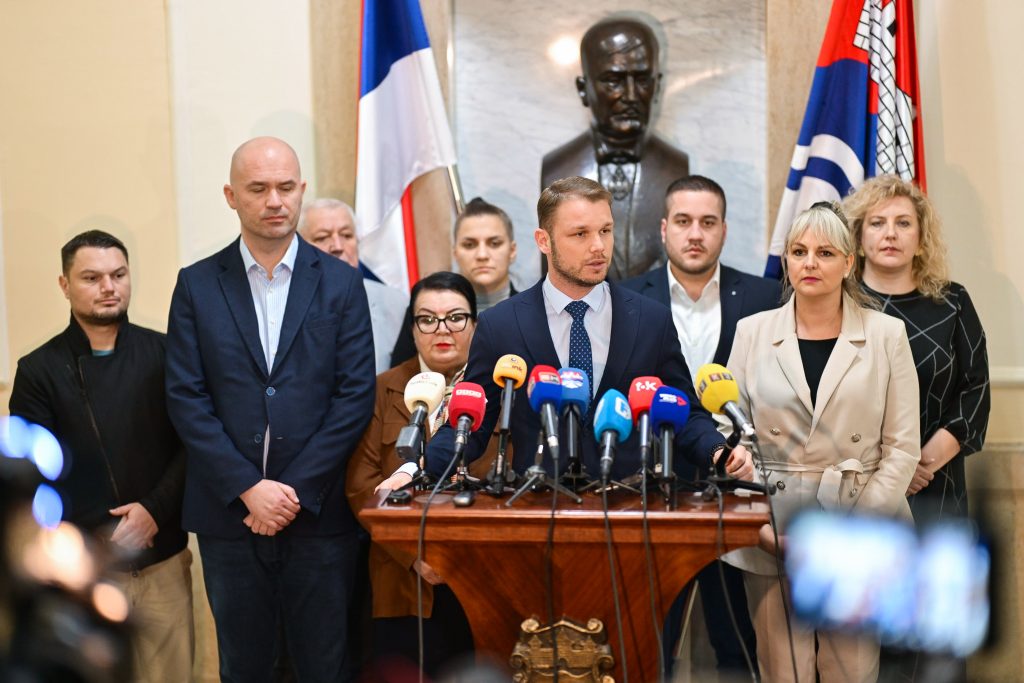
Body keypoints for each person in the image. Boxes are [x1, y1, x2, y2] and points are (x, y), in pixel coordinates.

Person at [380, 176, 752, 493]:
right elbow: (469, 424)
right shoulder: (501, 324)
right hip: (537, 506)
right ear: (544, 241)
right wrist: (413, 469)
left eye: (605, 230)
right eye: (580, 234)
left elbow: (684, 412)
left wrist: (720, 451)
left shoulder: (650, 320)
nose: (598, 246)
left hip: (628, 507)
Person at [165, 137, 375, 682]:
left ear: (302, 189)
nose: (275, 201)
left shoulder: (342, 282)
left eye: (285, 187)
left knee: (325, 667)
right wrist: (247, 488)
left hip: (318, 512)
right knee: (243, 668)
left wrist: (292, 491)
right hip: (228, 516)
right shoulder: (196, 285)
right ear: (231, 196)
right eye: (258, 189)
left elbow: (354, 395)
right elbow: (186, 396)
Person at [724, 203, 921, 682]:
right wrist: (759, 521)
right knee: (783, 671)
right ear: (787, 261)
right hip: (773, 526)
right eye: (799, 251)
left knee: (851, 671)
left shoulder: (886, 334)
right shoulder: (752, 332)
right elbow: (726, 427)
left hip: (859, 523)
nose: (810, 262)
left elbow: (901, 448)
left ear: (849, 262)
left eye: (825, 252)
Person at [9, 230, 192, 682]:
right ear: (65, 284)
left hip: (162, 557)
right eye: (92, 278)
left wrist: (153, 510)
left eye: (118, 275)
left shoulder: (166, 353)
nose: (109, 287)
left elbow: (193, 444)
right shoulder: (38, 369)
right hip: (85, 570)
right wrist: (96, 539)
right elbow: (37, 476)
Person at [621, 174, 780, 676]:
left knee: (737, 641)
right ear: (664, 229)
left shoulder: (766, 297)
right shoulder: (625, 298)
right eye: (684, 221)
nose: (695, 234)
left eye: (708, 222)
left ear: (724, 230)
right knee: (651, 644)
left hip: (736, 485)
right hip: (654, 487)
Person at [845, 175, 990, 681]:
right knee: (868, 637)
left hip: (937, 488)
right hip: (861, 494)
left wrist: (920, 462)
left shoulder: (953, 303)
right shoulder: (839, 306)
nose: (890, 233)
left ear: (921, 238)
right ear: (858, 236)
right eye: (877, 223)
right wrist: (892, 470)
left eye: (903, 223)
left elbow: (975, 393)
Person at [347, 272, 493, 678]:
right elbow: (361, 486)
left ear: (475, 324)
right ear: (412, 329)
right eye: (427, 319)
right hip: (401, 578)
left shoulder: (499, 389)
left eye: (455, 317)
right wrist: (415, 555)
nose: (441, 329)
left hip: (483, 575)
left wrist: (457, 556)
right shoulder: (381, 389)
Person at [541, 16, 690, 280]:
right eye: (613, 80)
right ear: (583, 89)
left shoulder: (676, 168)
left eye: (642, 80)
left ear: (657, 86)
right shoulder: (557, 169)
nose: (631, 96)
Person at [390, 197, 519, 368]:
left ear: (512, 251)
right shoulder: (425, 312)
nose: (482, 255)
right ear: (455, 253)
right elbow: (399, 376)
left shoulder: (534, 313)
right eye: (469, 245)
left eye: (494, 243)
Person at [298, 198, 408, 373]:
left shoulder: (396, 303)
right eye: (322, 237)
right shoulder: (284, 303)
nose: (337, 246)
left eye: (347, 235)